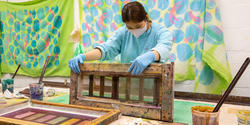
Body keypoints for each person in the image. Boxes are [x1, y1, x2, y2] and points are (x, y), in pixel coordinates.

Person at [69, 1, 173, 75]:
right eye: (129, 27)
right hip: (129, 84)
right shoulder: (123, 32)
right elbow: (107, 49)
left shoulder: (161, 32)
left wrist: (151, 55)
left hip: (155, 86)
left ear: (146, 17)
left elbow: (164, 47)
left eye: (137, 26)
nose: (133, 30)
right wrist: (83, 57)